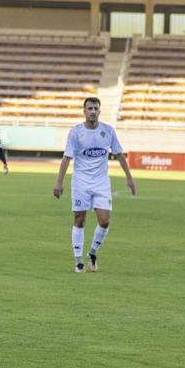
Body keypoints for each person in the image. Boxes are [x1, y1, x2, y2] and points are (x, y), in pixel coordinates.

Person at [53, 97, 136, 273]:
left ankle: (92, 253)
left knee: (104, 221)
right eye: (89, 108)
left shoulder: (108, 131)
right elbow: (67, 157)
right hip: (81, 182)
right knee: (79, 219)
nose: (92, 111)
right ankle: (78, 260)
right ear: (84, 111)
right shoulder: (76, 132)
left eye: (95, 108)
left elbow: (119, 154)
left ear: (99, 111)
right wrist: (59, 182)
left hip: (101, 183)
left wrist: (129, 177)